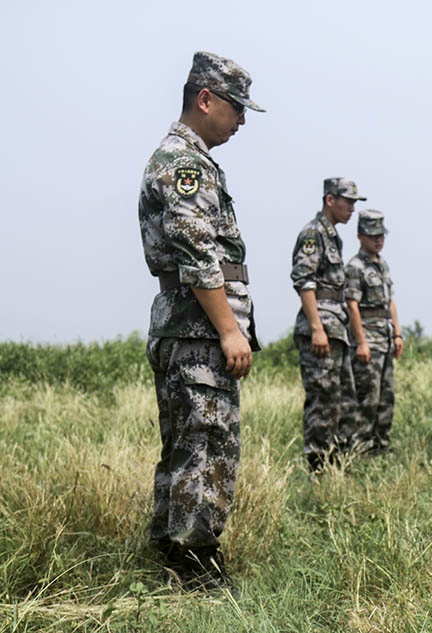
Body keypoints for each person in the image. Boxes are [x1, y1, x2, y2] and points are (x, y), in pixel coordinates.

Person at [138, 50, 264, 593]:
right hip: (198, 332)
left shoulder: (190, 160)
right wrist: (229, 329)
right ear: (204, 99)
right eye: (236, 108)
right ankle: (195, 569)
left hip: (189, 327)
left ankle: (168, 551)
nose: (240, 121)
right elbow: (197, 257)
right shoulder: (184, 164)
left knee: (187, 443)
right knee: (206, 446)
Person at [291, 178, 364, 470]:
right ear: (330, 200)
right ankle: (318, 467)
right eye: (348, 202)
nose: (352, 209)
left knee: (342, 400)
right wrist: (317, 328)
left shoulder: (333, 236)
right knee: (322, 400)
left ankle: (339, 464)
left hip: (338, 329)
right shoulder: (313, 233)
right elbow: (303, 280)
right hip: (321, 328)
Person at [345, 210, 403, 453]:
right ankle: (362, 447)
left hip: (385, 339)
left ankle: (382, 445)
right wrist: (361, 342)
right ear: (360, 236)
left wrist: (397, 334)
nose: (378, 240)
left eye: (381, 235)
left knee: (386, 396)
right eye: (372, 236)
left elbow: (389, 302)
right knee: (368, 397)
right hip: (368, 338)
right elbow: (352, 304)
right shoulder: (355, 267)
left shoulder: (383, 265)